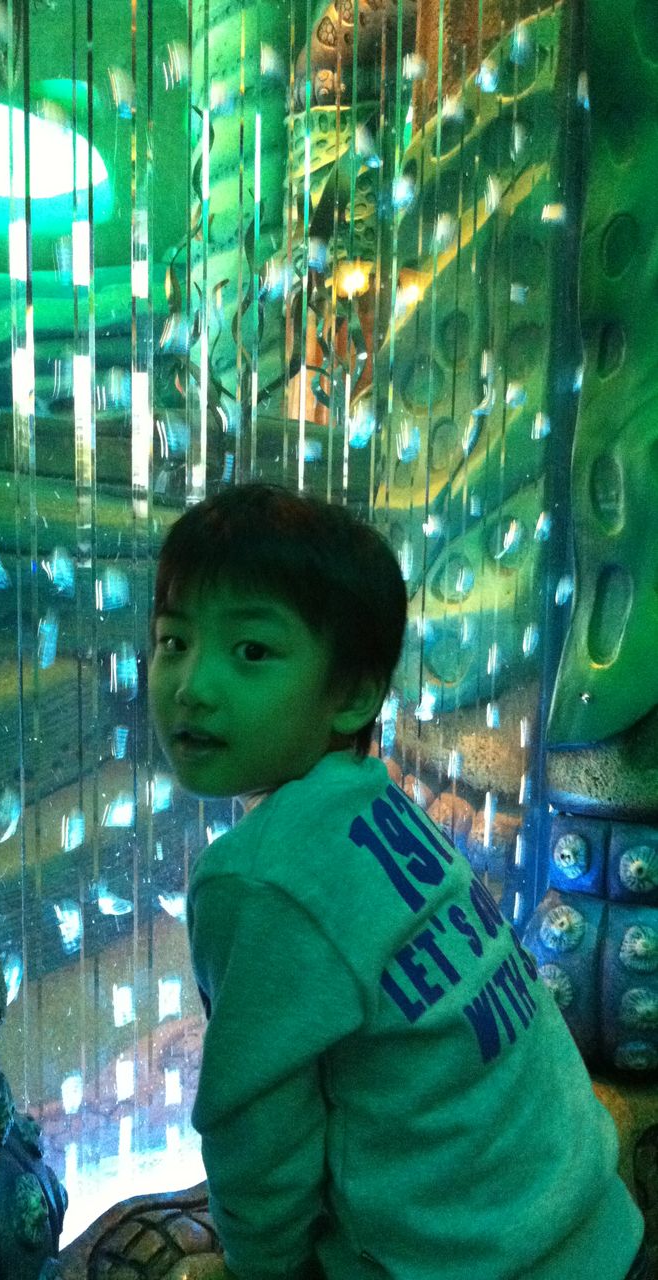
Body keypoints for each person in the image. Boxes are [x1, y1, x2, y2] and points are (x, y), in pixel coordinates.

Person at [147, 483, 647, 1280]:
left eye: (252, 653)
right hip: (591, 1218)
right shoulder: (377, 806)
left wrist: (256, 1268)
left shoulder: (260, 878)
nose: (191, 685)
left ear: (352, 693)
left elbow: (256, 1135)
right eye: (173, 641)